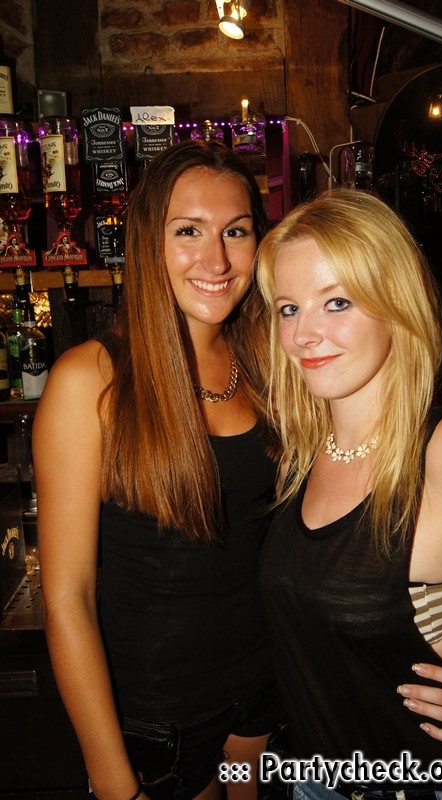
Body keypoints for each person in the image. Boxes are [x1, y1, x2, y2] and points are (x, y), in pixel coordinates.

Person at [255, 188, 442, 800]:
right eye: (288, 308)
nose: (303, 334)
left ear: (396, 305)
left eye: (337, 301)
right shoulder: (304, 450)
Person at [34, 139, 284, 800]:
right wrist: (117, 784)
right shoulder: (90, 381)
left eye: (236, 231)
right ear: (149, 242)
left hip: (261, 704)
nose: (217, 259)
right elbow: (68, 599)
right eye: (188, 231)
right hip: (165, 727)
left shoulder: (269, 362)